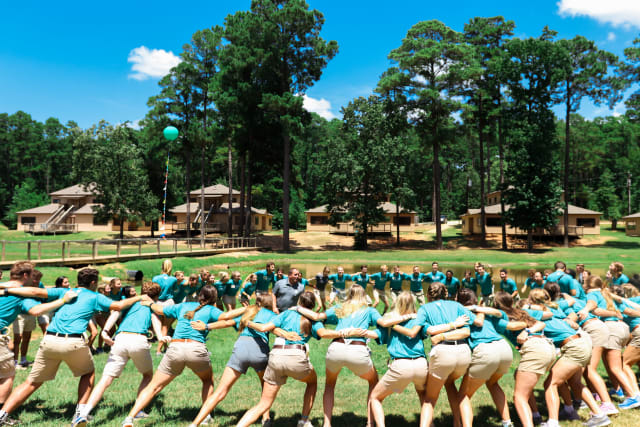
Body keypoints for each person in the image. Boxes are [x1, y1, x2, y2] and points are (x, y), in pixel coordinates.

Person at [0, 268, 146, 427]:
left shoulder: (65, 292)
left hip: (49, 340)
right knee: (88, 373)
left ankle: (2, 415)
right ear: (92, 283)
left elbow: (35, 291)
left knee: (31, 382)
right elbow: (118, 305)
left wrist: (6, 289)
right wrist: (139, 296)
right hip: (73, 342)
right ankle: (80, 414)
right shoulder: (95, 296)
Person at [121, 285, 246, 427]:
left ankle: (130, 418)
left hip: (175, 348)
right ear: (214, 298)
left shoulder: (183, 306)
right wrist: (247, 308)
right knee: (207, 381)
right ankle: (205, 417)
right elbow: (226, 316)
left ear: (200, 295)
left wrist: (149, 303)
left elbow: (160, 310)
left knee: (154, 386)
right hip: (196, 349)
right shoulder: (211, 309)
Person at [235, 291, 364, 427]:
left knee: (263, 404)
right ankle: (303, 420)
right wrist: (347, 332)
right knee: (312, 382)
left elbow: (263, 327)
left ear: (299, 303)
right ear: (313, 306)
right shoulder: (313, 320)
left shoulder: (286, 313)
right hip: (297, 357)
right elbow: (324, 334)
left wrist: (248, 323)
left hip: (276, 357)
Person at [187, 294, 290, 427]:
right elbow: (277, 329)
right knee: (265, 388)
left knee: (220, 391)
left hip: (241, 347)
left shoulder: (248, 312)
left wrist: (206, 327)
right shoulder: (271, 314)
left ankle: (195, 423)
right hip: (259, 351)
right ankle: (266, 419)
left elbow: (227, 322)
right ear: (270, 304)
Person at [73, 283, 168, 426]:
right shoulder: (151, 305)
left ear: (141, 291)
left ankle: (84, 414)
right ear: (157, 295)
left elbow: (116, 312)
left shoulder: (131, 301)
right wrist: (160, 336)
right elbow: (155, 319)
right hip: (138, 340)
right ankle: (137, 412)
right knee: (147, 375)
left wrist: (105, 331)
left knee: (105, 380)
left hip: (120, 339)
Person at [295, 286, 390, 427]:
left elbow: (317, 317)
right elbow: (382, 323)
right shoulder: (370, 310)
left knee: (329, 384)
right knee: (373, 381)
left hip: (336, 349)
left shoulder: (340, 307)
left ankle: (327, 424)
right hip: (358, 350)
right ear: (364, 295)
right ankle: (370, 423)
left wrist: (298, 308)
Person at [0, 262, 78, 426]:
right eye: (32, 277)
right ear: (26, 276)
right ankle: (1, 413)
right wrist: (63, 300)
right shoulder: (21, 295)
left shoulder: (4, 288)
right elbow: (36, 311)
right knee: (7, 375)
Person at [525, 289, 612, 427]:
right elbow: (570, 309)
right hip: (582, 342)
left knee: (550, 383)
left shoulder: (534, 311)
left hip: (573, 346)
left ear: (532, 300)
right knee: (575, 382)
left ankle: (552, 422)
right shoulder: (556, 307)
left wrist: (525, 307)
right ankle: (597, 415)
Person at [392, 282, 472, 427]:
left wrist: (441, 334)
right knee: (452, 385)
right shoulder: (457, 306)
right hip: (464, 352)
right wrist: (454, 324)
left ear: (428, 295)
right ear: (446, 293)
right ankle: (457, 423)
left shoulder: (424, 308)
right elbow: (469, 329)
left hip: (443, 353)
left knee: (429, 399)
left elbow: (428, 331)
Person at [546, 282, 618, 416]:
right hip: (595, 327)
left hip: (591, 329)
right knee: (578, 374)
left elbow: (572, 315)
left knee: (589, 370)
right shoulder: (569, 299)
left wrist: (567, 321)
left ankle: (607, 404)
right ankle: (582, 401)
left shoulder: (560, 304)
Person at [492, 292, 555, 427]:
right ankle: (535, 415)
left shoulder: (499, 318)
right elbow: (541, 324)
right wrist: (529, 330)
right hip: (548, 347)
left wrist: (527, 332)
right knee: (519, 377)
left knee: (519, 397)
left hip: (534, 349)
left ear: (496, 304)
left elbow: (539, 324)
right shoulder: (521, 312)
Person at [577, 276, 640, 409]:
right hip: (622, 327)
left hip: (612, 328)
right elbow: (627, 309)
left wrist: (586, 310)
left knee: (615, 367)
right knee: (613, 364)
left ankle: (633, 395)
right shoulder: (606, 293)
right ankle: (624, 392)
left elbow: (595, 307)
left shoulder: (593, 294)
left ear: (587, 285)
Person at [455, 288, 515, 427]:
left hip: (486, 351)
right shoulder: (487, 312)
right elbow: (500, 313)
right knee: (493, 384)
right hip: (504, 349)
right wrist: (480, 308)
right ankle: (507, 423)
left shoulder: (462, 315)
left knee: (463, 395)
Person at [368, 291, 426, 427]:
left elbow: (377, 333)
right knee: (424, 396)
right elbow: (424, 333)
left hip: (401, 365)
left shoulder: (389, 321)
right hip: (421, 364)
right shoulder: (418, 319)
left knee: (375, 397)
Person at [153, 260, 178, 354]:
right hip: (169, 303)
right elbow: (175, 290)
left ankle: (165, 347)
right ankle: (159, 350)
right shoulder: (173, 279)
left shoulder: (155, 278)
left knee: (159, 327)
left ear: (162, 266)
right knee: (165, 327)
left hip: (158, 302)